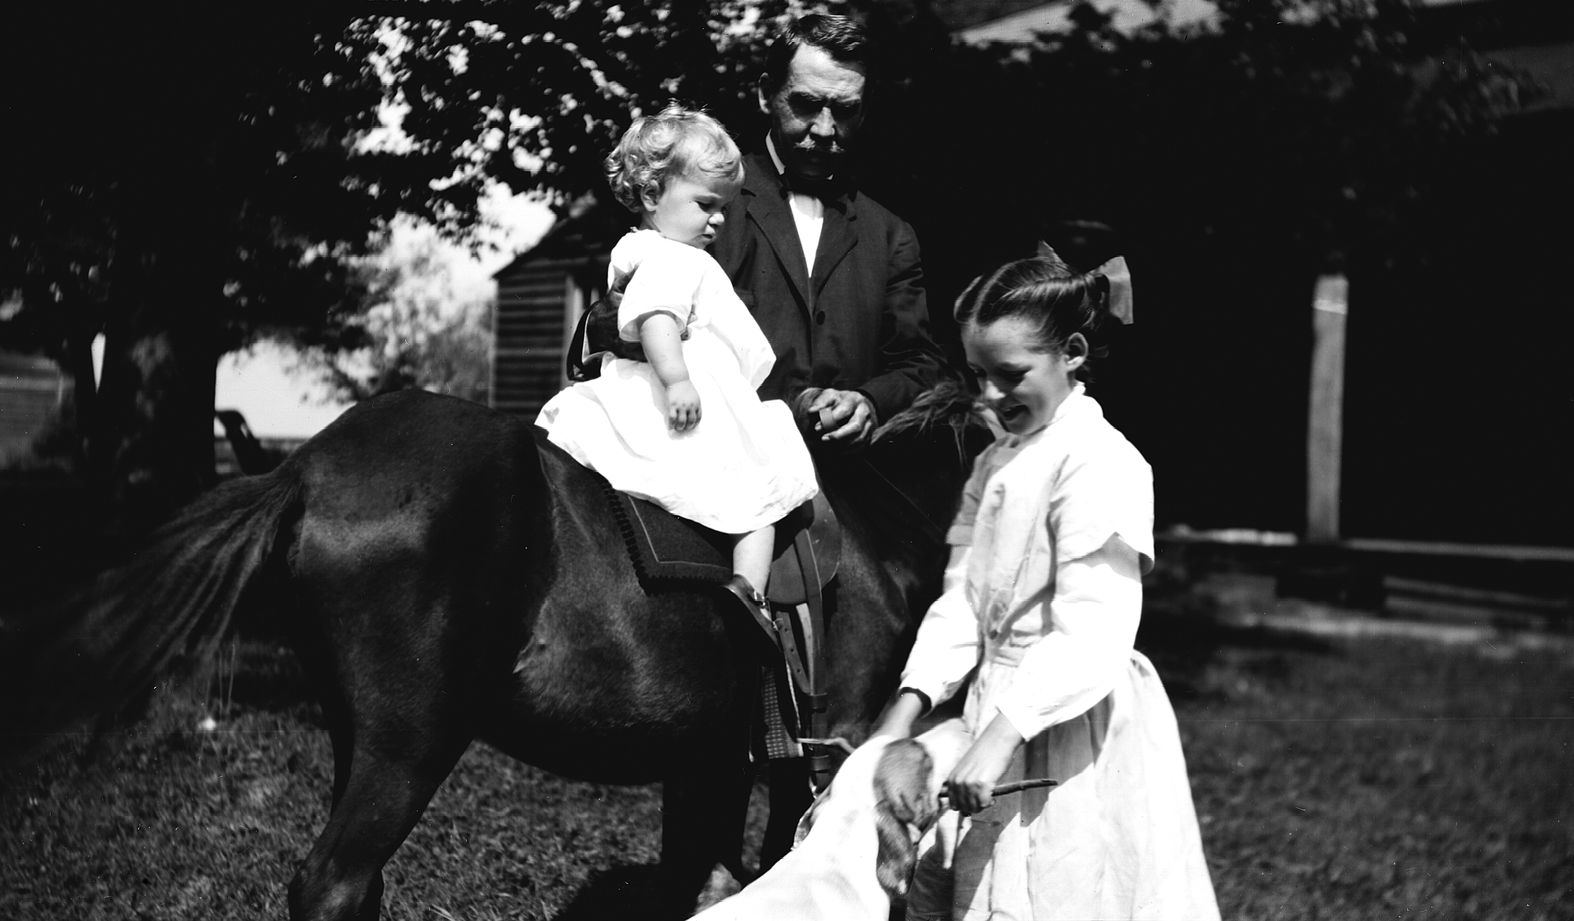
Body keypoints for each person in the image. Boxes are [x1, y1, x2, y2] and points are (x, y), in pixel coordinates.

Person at [873, 252, 1220, 920]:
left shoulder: (1102, 462)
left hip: (1068, 715)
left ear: (1073, 353)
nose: (990, 395)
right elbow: (963, 600)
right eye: (977, 374)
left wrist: (1002, 735)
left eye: (1010, 375)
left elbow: (1094, 629)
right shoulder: (994, 463)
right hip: (995, 702)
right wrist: (907, 706)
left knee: (1060, 878)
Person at [537, 104, 817, 611]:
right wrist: (677, 380)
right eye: (706, 204)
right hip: (687, 394)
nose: (718, 219)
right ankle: (750, 594)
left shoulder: (646, 249)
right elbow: (657, 318)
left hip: (655, 387)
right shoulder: (675, 256)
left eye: (724, 208)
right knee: (762, 495)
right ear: (651, 195)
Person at [709, 12, 950, 450]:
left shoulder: (890, 234)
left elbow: (920, 364)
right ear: (766, 95)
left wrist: (870, 401)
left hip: (842, 477)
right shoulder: (706, 200)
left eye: (844, 110)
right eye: (805, 104)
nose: (824, 129)